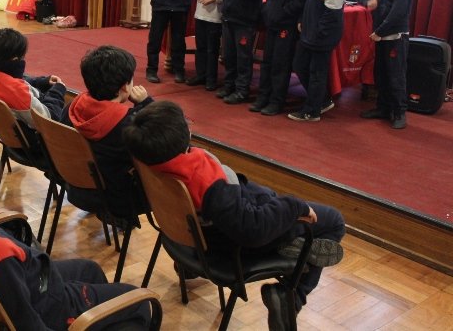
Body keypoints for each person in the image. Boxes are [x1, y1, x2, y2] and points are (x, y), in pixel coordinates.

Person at [123, 100, 345, 329]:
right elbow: (253, 230)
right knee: (334, 222)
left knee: (295, 227)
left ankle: (291, 247)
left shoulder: (149, 163)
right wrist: (295, 206)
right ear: (186, 135)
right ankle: (291, 295)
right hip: (234, 245)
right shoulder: (207, 185)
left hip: (192, 237)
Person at [0, 133, 152, 330]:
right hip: (50, 307)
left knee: (90, 270)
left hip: (35, 284)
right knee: (139, 302)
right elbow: (27, 324)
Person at [60, 45, 152, 216]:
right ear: (125, 87)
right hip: (115, 199)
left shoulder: (72, 107)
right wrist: (146, 104)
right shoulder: (128, 125)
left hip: (74, 187)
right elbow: (164, 137)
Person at [0, 28, 65, 169]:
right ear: (15, 60)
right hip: (38, 147)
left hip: (11, 139)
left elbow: (17, 81)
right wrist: (58, 90)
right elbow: (49, 119)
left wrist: (43, 82)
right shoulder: (12, 90)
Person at [289, 0, 348, 122]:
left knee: (316, 73)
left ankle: (312, 111)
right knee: (300, 65)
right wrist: (303, 21)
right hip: (310, 32)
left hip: (322, 35)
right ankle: (321, 100)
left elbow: (332, 14)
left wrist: (318, 34)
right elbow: (310, 3)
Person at [250, 0, 309, 116]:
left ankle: (277, 101)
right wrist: (267, 13)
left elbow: (299, 2)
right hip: (272, 25)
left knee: (280, 65)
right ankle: (263, 97)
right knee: (267, 63)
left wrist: (281, 14)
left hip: (286, 27)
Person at [359, 0, 412, 130]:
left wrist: (379, 32)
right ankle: (382, 108)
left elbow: (398, 13)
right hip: (379, 36)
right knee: (380, 74)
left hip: (395, 37)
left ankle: (399, 112)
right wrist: (368, 3)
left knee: (395, 77)